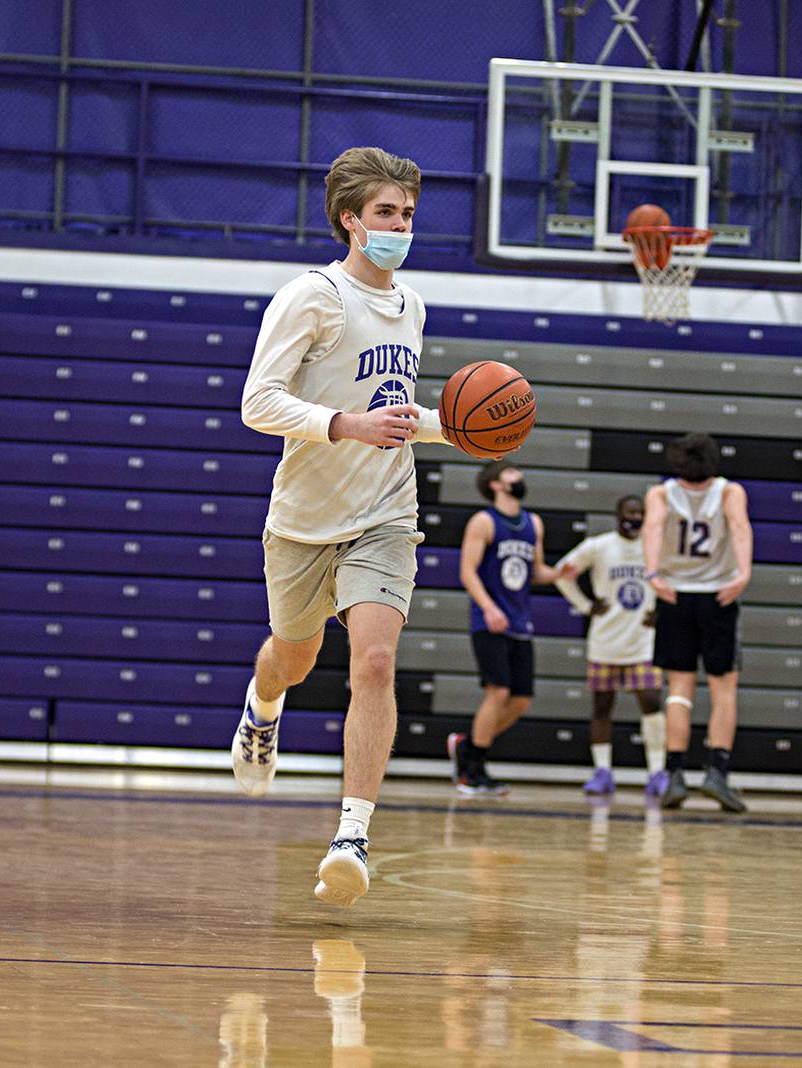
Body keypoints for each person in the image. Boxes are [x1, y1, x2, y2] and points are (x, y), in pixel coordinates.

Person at [230, 146, 449, 907]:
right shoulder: (310, 297)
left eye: (409, 214)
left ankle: (352, 833)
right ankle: (263, 709)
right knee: (292, 657)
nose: (401, 226)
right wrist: (344, 424)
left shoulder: (412, 306)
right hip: (304, 519)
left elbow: (396, 413)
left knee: (376, 662)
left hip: (386, 512)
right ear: (351, 219)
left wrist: (453, 428)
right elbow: (258, 403)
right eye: (387, 212)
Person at [446, 461, 576, 796]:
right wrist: (488, 608)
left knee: (520, 701)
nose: (519, 479)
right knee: (498, 692)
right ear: (495, 484)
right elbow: (467, 571)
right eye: (512, 475)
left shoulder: (533, 522)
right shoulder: (484, 521)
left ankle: (468, 744)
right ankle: (472, 770)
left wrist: (559, 573)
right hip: (489, 620)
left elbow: (535, 572)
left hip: (520, 622)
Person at [641, 432, 753, 813]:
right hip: (718, 595)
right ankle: (717, 773)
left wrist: (653, 574)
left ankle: (674, 773)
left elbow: (653, 529)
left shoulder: (660, 494)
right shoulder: (729, 492)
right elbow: (739, 528)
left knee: (678, 689)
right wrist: (744, 573)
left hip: (674, 594)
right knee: (724, 689)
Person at [554, 495, 669, 799]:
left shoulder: (655, 546)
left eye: (641, 513)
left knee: (651, 701)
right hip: (605, 639)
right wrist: (585, 605)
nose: (636, 517)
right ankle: (603, 772)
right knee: (602, 707)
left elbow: (676, 579)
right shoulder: (599, 546)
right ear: (618, 514)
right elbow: (562, 573)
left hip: (644, 640)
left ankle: (657, 772)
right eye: (631, 512)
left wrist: (665, 610)